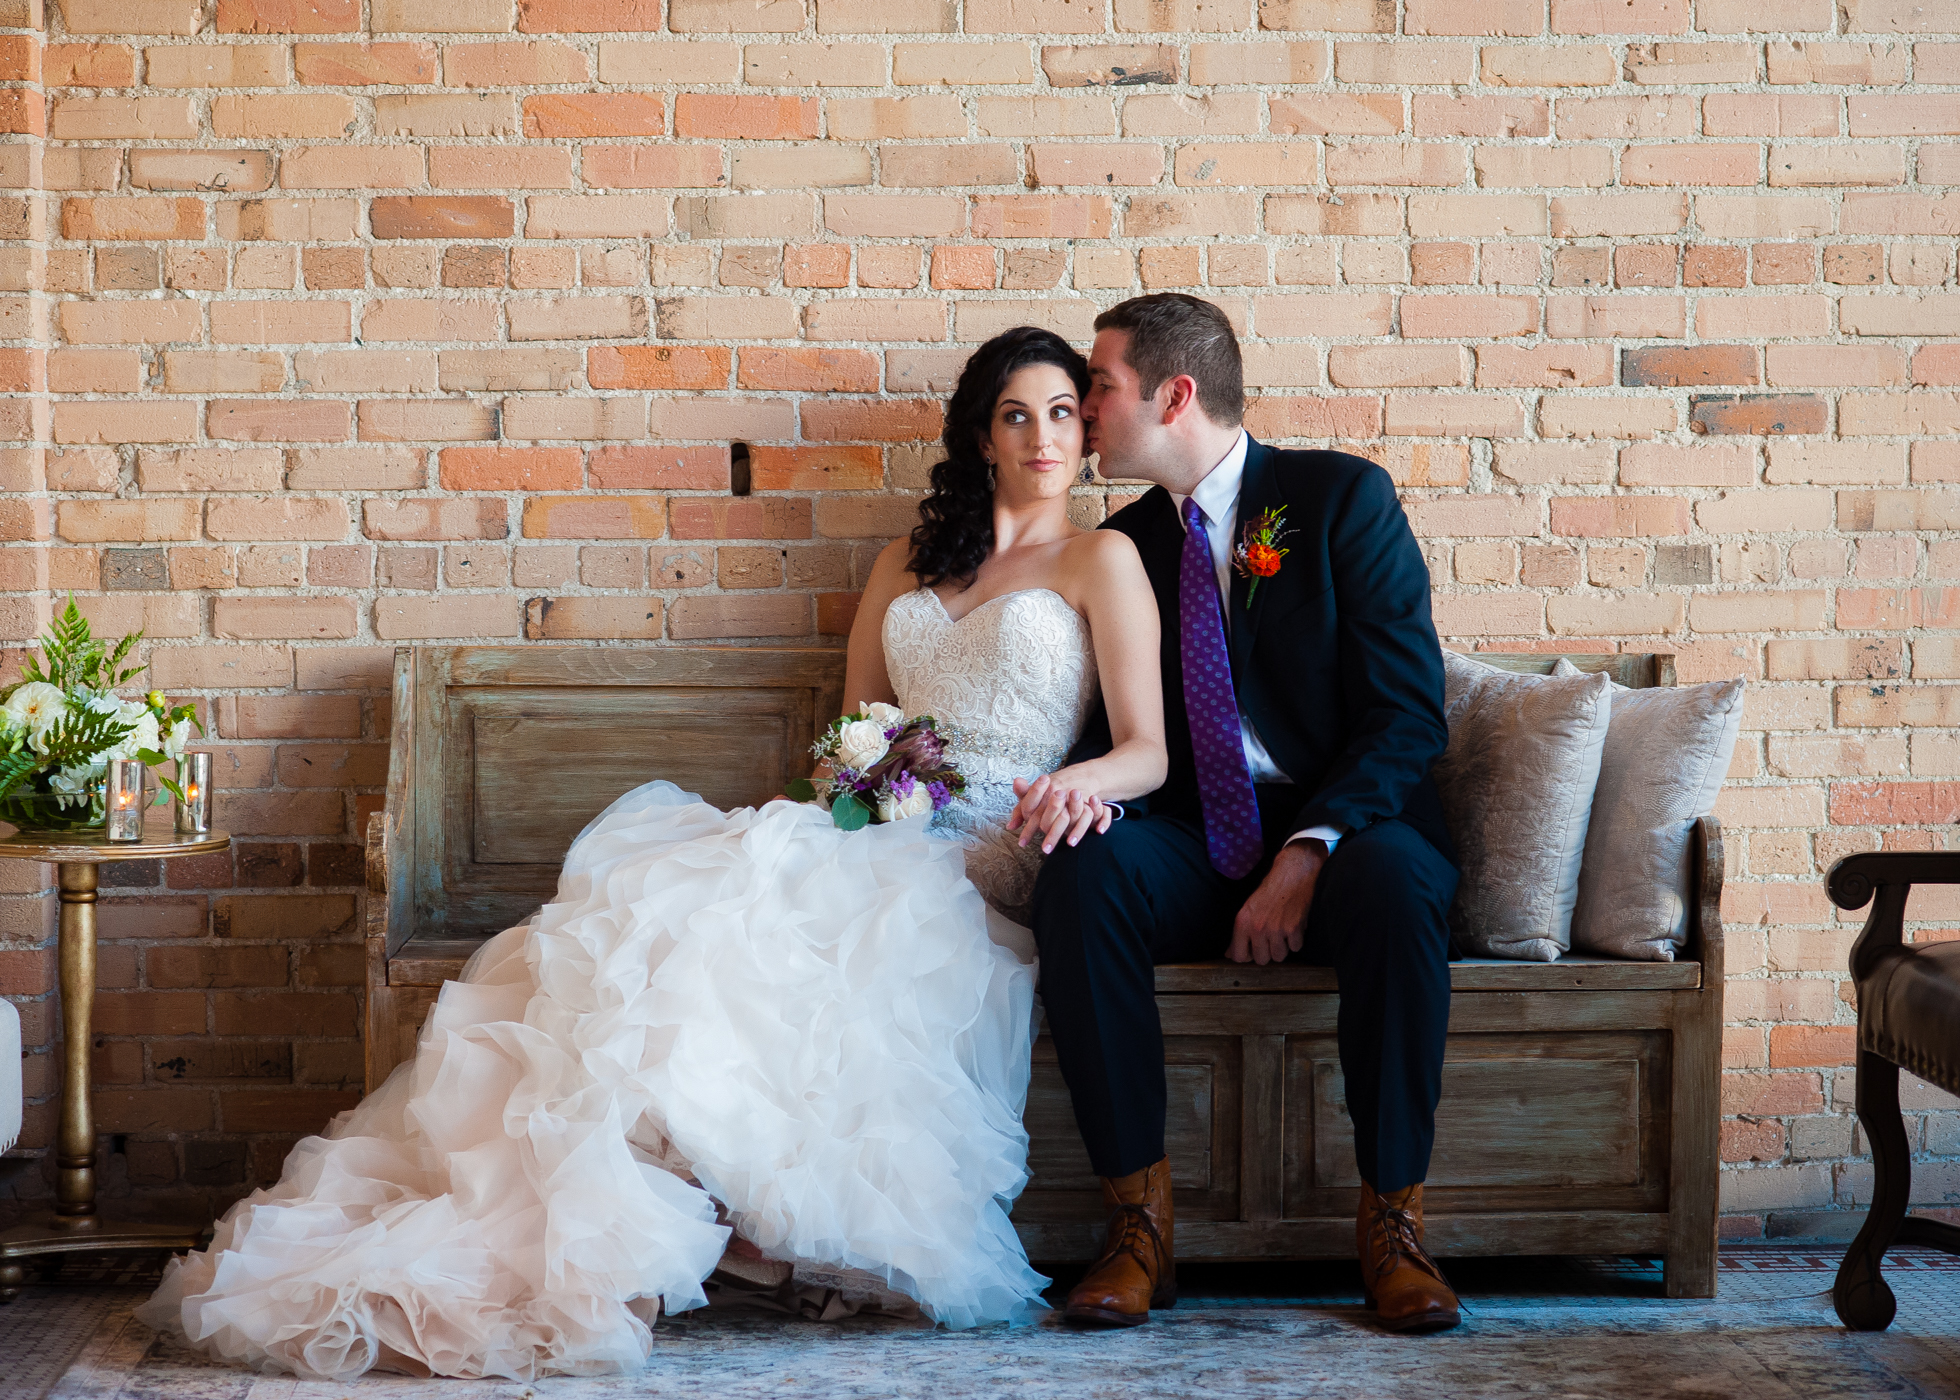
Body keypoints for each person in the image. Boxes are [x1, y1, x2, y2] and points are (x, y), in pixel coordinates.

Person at [136, 326, 1168, 1380]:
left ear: (1082, 434)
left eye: (1058, 413)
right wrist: (837, 801)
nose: (1041, 435)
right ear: (980, 434)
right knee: (693, 902)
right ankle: (606, 1220)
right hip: (878, 827)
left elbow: (1146, 750)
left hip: (1000, 844)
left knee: (801, 921)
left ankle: (726, 1214)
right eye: (1014, 414)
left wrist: (1070, 785)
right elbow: (853, 729)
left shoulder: (1102, 557)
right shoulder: (905, 562)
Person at [1028, 294, 1462, 1334]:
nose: (1083, 409)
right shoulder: (1124, 541)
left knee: (1401, 884)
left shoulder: (1339, 497)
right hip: (1192, 832)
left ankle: (1395, 1224)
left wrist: (1308, 849)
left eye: (1099, 386)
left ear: (1173, 395)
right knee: (1082, 877)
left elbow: (1406, 714)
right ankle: (1139, 1225)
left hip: (1345, 825)